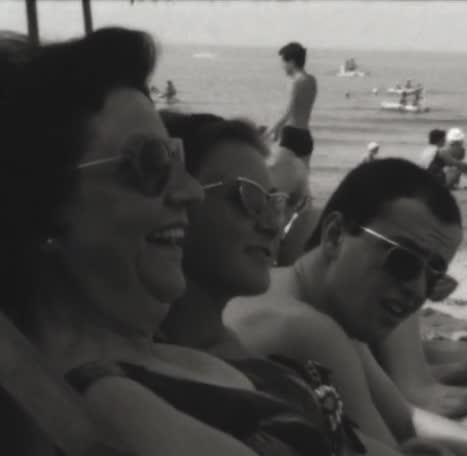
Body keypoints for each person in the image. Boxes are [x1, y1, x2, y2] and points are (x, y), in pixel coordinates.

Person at [0, 27, 312, 456]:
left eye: (177, 158)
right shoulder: (111, 404)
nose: (191, 192)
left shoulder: (145, 360)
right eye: (151, 163)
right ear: (44, 209)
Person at [225, 158, 467, 455]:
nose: (416, 290)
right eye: (402, 261)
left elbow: (405, 420)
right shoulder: (302, 329)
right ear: (335, 234)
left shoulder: (321, 312)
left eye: (433, 274)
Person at [160, 112, 370, 456]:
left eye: (275, 203)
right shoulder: (170, 385)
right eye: (246, 198)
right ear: (175, 200)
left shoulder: (239, 354)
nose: (273, 226)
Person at [265, 42, 318, 223]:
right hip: (305, 137)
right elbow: (302, 109)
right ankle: (304, 221)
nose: (282, 66)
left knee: (275, 183)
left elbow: (286, 113)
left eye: (283, 62)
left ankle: (279, 223)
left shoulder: (295, 82)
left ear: (292, 62)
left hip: (291, 136)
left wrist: (267, 134)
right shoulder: (311, 80)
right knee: (303, 187)